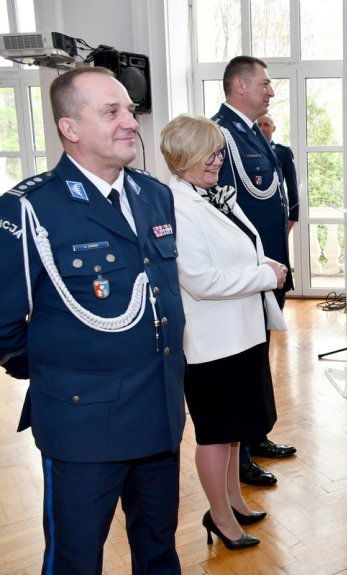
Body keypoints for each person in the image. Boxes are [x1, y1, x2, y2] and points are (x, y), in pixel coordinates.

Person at [0, 67, 185, 574]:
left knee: (159, 550)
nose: (131, 121)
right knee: (76, 561)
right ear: (70, 128)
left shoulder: (154, 195)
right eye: (112, 112)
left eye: (129, 109)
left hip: (158, 415)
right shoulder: (31, 209)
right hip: (84, 427)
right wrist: (65, 372)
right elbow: (3, 326)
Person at [161, 114, 289, 550]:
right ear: (182, 157)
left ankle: (234, 498)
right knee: (216, 435)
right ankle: (218, 516)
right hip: (212, 343)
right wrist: (264, 275)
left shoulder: (214, 195)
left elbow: (237, 252)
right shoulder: (177, 204)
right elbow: (199, 280)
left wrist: (262, 267)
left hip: (243, 333)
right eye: (209, 153)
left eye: (218, 151)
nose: (217, 160)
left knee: (236, 428)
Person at [213, 56, 296, 486]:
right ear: (240, 86)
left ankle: (256, 433)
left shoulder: (251, 133)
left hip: (268, 269)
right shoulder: (219, 135)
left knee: (259, 355)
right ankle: (239, 455)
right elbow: (222, 210)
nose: (271, 91)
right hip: (246, 273)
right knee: (243, 362)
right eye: (265, 84)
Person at [257, 114, 299, 234]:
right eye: (258, 125)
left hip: (276, 213)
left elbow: (292, 188)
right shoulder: (246, 151)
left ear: (273, 129)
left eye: (266, 125)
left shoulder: (283, 152)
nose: (262, 128)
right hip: (253, 213)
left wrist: (292, 218)